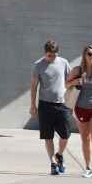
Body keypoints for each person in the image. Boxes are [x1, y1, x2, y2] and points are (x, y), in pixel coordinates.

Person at [29, 39, 72, 175]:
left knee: (65, 135)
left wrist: (71, 102)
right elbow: (34, 86)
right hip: (45, 105)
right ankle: (53, 163)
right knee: (48, 136)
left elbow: (69, 82)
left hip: (61, 104)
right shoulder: (38, 65)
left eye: (53, 55)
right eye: (49, 55)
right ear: (45, 53)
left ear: (57, 53)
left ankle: (59, 154)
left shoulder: (64, 63)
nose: (51, 58)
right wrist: (33, 105)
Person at [66, 45, 92, 178]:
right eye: (90, 54)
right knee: (85, 138)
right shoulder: (77, 70)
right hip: (81, 108)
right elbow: (65, 85)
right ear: (84, 55)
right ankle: (88, 168)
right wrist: (77, 80)